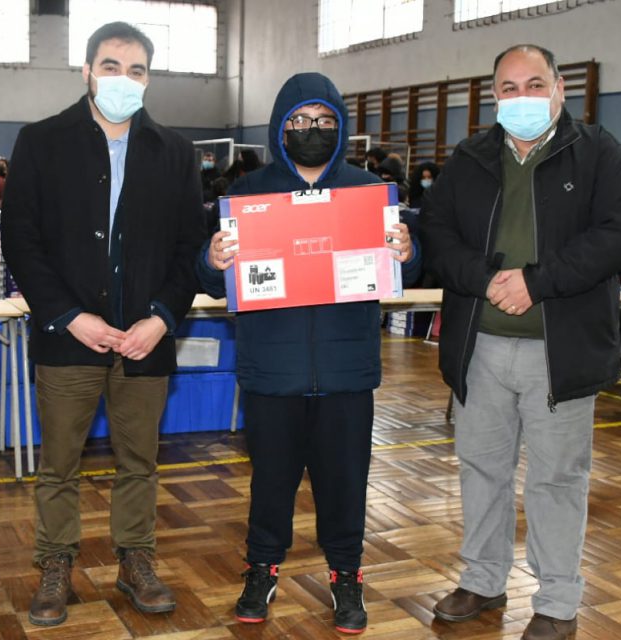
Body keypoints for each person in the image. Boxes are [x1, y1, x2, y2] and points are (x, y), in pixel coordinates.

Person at [422, 44, 621, 640]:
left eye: (534, 84)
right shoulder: (468, 159)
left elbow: (620, 235)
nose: (522, 97)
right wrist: (483, 278)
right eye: (509, 87)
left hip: (560, 350)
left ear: (559, 89)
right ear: (495, 94)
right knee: (481, 470)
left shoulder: (601, 155)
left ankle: (557, 602)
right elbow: (436, 233)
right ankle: (484, 579)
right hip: (481, 347)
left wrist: (536, 284)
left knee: (557, 480)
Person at [199, 72, 420, 635]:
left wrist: (408, 251)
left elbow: (405, 274)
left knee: (345, 481)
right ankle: (261, 569)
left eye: (323, 121)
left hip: (347, 371)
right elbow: (206, 277)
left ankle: (346, 576)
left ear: (340, 126)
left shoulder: (368, 193)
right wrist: (212, 260)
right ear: (280, 128)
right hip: (273, 370)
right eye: (299, 122)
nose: (311, 131)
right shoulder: (248, 196)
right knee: (270, 481)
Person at [0, 21, 205, 628]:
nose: (123, 79)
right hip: (68, 338)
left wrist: (162, 319)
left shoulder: (174, 151)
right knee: (59, 462)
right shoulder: (41, 142)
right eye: (111, 66)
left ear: (149, 78)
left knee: (139, 461)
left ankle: (136, 559)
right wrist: (67, 315)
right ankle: (56, 563)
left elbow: (188, 247)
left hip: (146, 341)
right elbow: (21, 239)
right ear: (87, 70)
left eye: (137, 70)